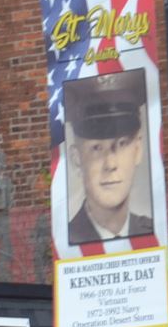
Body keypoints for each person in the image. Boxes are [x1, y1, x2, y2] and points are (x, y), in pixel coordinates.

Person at [64, 70, 156, 246]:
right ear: (77, 159)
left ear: (137, 150)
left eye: (121, 144)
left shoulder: (149, 230)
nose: (110, 164)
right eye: (97, 148)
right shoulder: (70, 239)